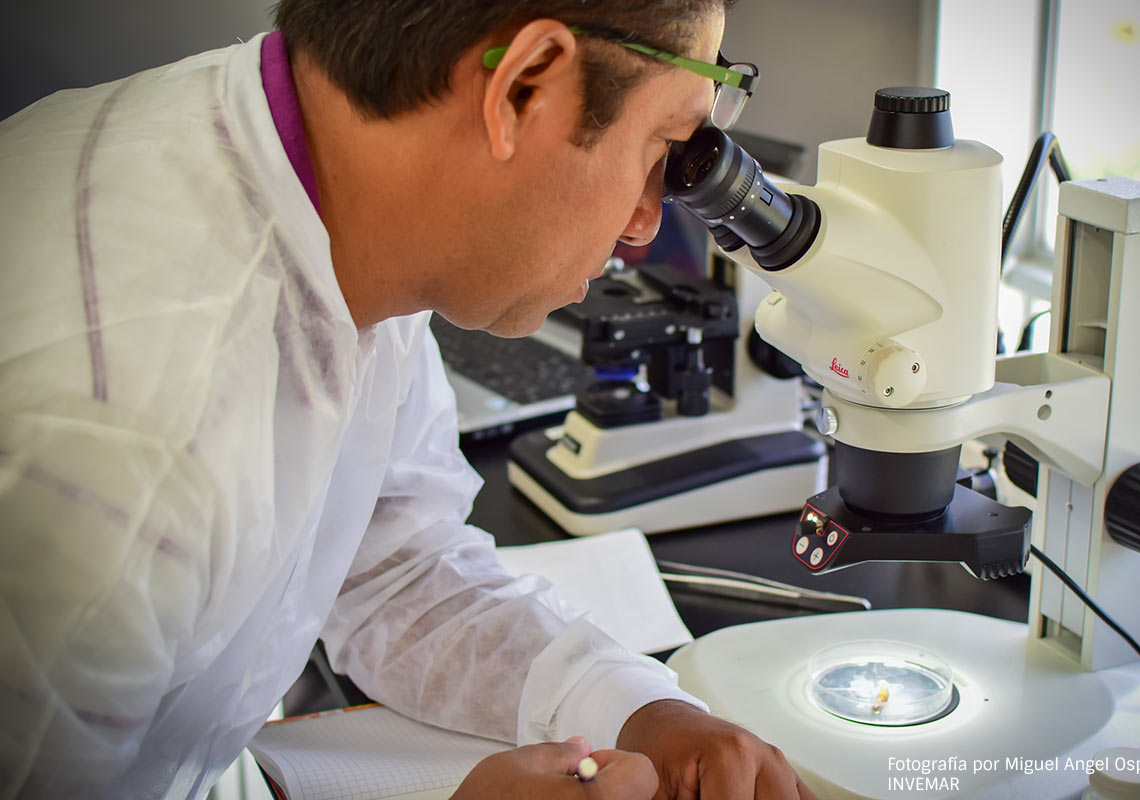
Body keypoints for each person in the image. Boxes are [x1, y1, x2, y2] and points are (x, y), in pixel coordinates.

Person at [0, 0, 817, 798]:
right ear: (525, 85)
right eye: (662, 147)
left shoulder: (340, 202)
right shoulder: (112, 448)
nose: (646, 226)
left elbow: (393, 566)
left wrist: (638, 708)